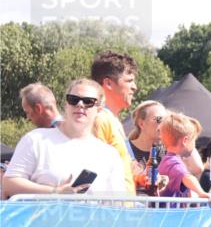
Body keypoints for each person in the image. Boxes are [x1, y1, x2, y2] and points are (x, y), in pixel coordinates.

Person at [4, 78, 127, 198]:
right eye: (73, 100)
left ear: (99, 109)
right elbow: (9, 184)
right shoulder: (36, 140)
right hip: (42, 217)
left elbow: (116, 205)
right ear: (66, 104)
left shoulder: (109, 154)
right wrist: (54, 192)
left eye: (88, 101)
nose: (80, 105)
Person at [90, 51, 138, 194]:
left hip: (123, 208)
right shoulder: (100, 119)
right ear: (108, 83)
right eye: (129, 81)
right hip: (111, 211)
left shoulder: (112, 119)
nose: (135, 87)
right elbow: (97, 171)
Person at [157, 113, 211, 200]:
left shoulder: (167, 160)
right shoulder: (173, 161)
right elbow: (186, 176)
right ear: (185, 140)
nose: (194, 144)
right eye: (193, 140)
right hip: (171, 211)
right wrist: (201, 192)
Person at [126, 100, 166, 194]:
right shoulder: (125, 148)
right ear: (142, 124)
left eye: (166, 120)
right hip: (132, 206)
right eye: (159, 119)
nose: (164, 124)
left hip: (157, 207)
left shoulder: (164, 152)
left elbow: (196, 168)